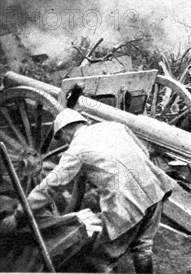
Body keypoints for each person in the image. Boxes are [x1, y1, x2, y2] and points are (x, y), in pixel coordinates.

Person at [0, 108, 174, 273]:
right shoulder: (115, 126)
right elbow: (143, 151)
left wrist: (18, 215)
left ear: (66, 132)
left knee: (102, 257)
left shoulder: (77, 150)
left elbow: (50, 188)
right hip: (154, 187)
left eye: (64, 138)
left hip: (126, 202)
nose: (66, 142)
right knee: (143, 246)